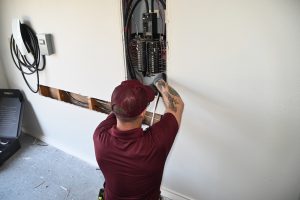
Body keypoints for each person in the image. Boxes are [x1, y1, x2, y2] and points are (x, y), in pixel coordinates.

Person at [93, 77, 184, 200]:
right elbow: (178, 104)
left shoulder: (99, 135)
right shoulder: (155, 143)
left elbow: (116, 112)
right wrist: (158, 81)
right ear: (142, 113)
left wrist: (128, 99)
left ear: (113, 106)